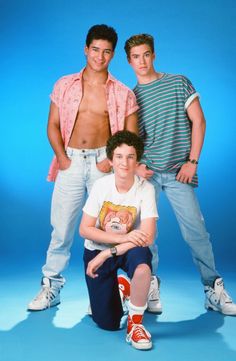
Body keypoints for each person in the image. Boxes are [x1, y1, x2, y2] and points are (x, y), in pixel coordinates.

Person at [27, 24, 139, 311]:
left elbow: (131, 136)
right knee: (62, 227)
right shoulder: (64, 84)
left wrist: (111, 160)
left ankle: (103, 292)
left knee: (105, 230)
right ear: (86, 49)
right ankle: (51, 285)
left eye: (107, 52)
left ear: (113, 54)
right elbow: (52, 125)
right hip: (71, 161)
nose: (100, 57)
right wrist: (63, 158)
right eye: (95, 50)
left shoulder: (124, 93)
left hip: (105, 163)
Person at [124, 33, 236, 316]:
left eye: (146, 54)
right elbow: (134, 140)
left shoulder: (178, 82)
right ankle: (149, 286)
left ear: (154, 55)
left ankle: (213, 289)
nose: (142, 61)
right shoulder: (132, 97)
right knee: (145, 236)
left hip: (178, 172)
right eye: (136, 57)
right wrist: (137, 167)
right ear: (129, 61)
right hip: (147, 174)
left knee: (196, 232)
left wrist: (192, 162)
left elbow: (199, 121)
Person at [79, 130, 158, 350]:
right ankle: (122, 287)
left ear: (137, 160)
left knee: (143, 268)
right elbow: (85, 229)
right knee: (108, 323)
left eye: (130, 156)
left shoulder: (146, 189)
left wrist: (109, 251)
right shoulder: (101, 186)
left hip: (127, 249)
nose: (125, 162)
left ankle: (135, 324)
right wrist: (118, 239)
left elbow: (148, 236)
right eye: (119, 156)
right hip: (97, 248)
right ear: (111, 160)